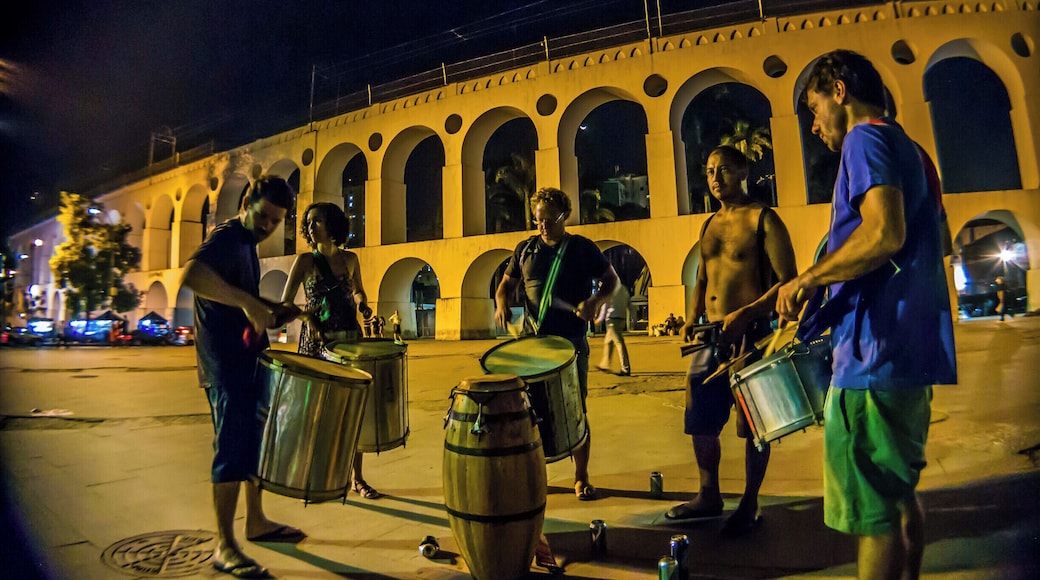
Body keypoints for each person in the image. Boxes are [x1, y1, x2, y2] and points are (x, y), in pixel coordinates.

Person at [777, 49, 957, 579]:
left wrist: (810, 278)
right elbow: (934, 241)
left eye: (813, 109)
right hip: (909, 350)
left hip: (873, 352)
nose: (814, 127)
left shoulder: (865, 137)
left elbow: (885, 232)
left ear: (839, 90)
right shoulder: (912, 149)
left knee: (873, 517)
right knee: (897, 497)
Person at [665, 145, 797, 537]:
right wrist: (691, 318)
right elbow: (702, 277)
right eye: (708, 171)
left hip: (752, 336)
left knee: (753, 424)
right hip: (711, 338)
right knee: (700, 419)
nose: (714, 178)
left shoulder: (764, 220)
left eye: (723, 169)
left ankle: (750, 501)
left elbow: (788, 285)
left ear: (743, 172)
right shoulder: (708, 224)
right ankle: (709, 494)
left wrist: (747, 315)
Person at [181, 175, 304, 579]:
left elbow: (245, 302)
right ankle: (224, 545)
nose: (269, 226)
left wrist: (280, 310)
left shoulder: (248, 246)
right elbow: (194, 276)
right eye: (264, 215)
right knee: (231, 450)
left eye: (277, 221)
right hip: (224, 365)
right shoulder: (228, 236)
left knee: (255, 444)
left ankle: (256, 521)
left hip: (249, 359)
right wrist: (250, 304)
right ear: (247, 201)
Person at [494, 186, 620, 502]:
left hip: (571, 343)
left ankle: (581, 476)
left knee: (575, 410)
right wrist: (501, 302)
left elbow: (612, 281)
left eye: (550, 220)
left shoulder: (581, 248)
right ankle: (537, 476)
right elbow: (506, 285)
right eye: (538, 220)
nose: (544, 227)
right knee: (530, 412)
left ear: (565, 216)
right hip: (532, 344)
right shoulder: (524, 249)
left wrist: (594, 301)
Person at [279, 202, 381, 500]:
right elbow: (286, 304)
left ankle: (357, 479)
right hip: (317, 343)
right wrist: (305, 317)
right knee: (316, 412)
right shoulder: (305, 261)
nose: (311, 227)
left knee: (354, 409)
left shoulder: (350, 259)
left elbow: (357, 289)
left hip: (350, 337)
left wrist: (363, 303)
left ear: (333, 225)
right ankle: (316, 476)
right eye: (308, 222)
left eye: (318, 221)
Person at [596, 283, 631, 376]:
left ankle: (625, 369)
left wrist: (599, 319)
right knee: (608, 342)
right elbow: (629, 304)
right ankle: (605, 365)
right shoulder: (623, 289)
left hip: (612, 320)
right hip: (621, 319)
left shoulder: (609, 288)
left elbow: (605, 305)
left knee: (619, 343)